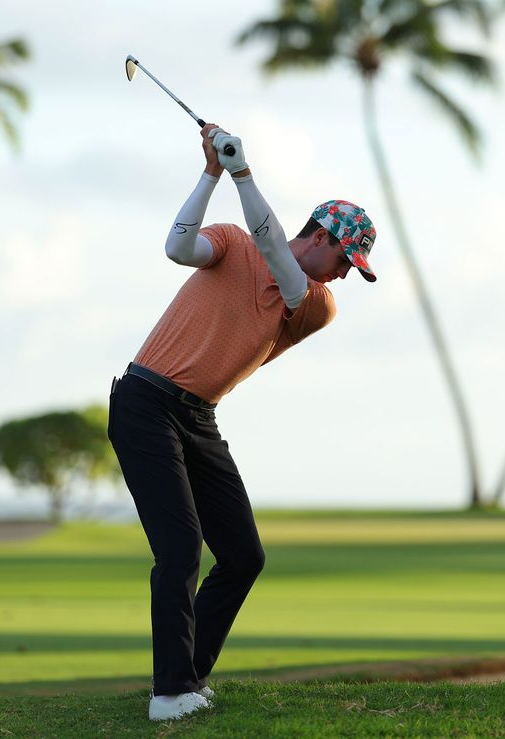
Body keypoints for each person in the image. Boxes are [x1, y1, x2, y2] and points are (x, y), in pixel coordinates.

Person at [107, 123, 377, 721]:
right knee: (179, 551)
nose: (342, 275)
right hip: (145, 403)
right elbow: (178, 248)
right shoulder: (232, 241)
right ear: (323, 236)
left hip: (197, 417)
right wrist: (212, 173)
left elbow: (279, 253)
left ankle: (188, 678)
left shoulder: (313, 303)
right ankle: (170, 693)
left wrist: (243, 174)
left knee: (242, 555)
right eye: (344, 259)